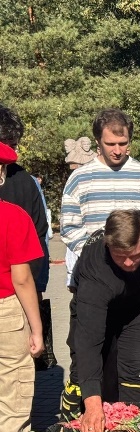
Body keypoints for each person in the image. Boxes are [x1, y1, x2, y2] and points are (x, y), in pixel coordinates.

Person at [60, 210, 140, 432]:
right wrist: (93, 406)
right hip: (99, 307)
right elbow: (88, 343)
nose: (127, 263)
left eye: (134, 256)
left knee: (134, 373)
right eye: (119, 256)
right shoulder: (94, 269)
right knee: (88, 368)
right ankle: (77, 416)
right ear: (107, 245)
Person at [60, 109, 140, 286]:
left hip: (138, 276)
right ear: (98, 142)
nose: (117, 150)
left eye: (123, 143)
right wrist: (96, 255)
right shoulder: (80, 177)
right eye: (110, 144)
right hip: (95, 275)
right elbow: (69, 226)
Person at [0, 142, 43, 432]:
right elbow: (22, 279)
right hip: (6, 313)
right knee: (12, 400)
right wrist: (37, 328)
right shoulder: (13, 218)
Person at [0, 105, 49, 295]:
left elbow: (39, 237)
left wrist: (35, 285)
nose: (14, 151)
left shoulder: (25, 182)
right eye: (8, 144)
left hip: (20, 287)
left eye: (15, 144)